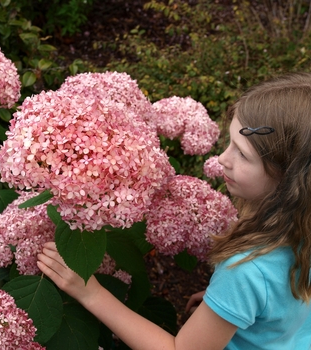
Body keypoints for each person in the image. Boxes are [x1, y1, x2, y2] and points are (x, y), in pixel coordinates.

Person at [37, 73, 311, 349]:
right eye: (229, 144)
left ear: (289, 178)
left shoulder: (245, 270)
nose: (222, 159)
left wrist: (91, 293)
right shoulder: (301, 229)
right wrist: (229, 307)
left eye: (242, 154)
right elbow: (280, 300)